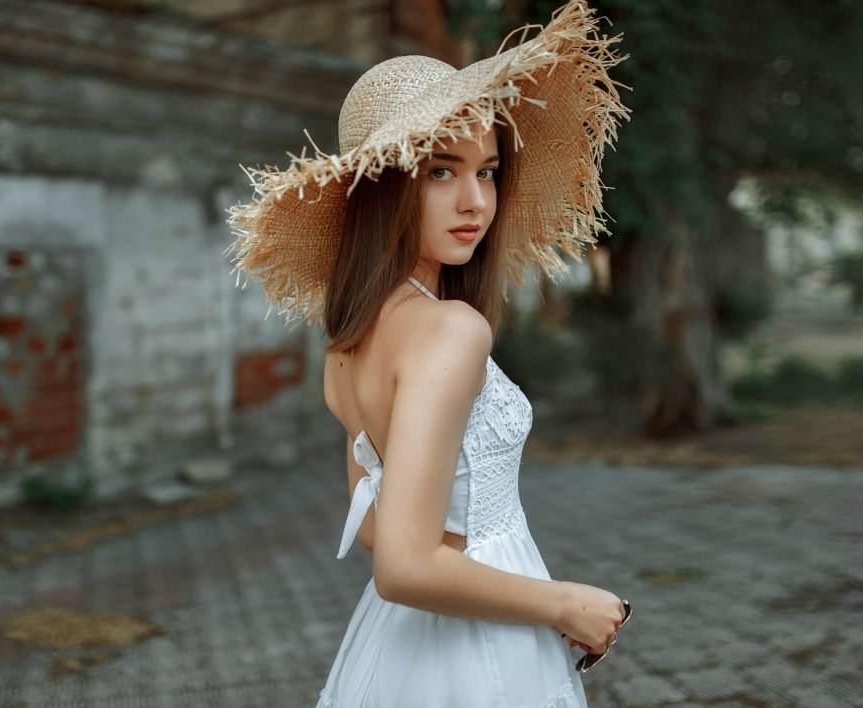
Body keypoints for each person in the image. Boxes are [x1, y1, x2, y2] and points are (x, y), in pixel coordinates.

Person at [227, 2, 631, 705]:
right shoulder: (451, 330)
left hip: (407, 640)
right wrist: (567, 604)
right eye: (442, 171)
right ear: (385, 185)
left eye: (488, 171)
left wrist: (470, 563)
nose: (476, 201)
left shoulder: (349, 342)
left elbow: (377, 528)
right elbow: (405, 566)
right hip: (476, 648)